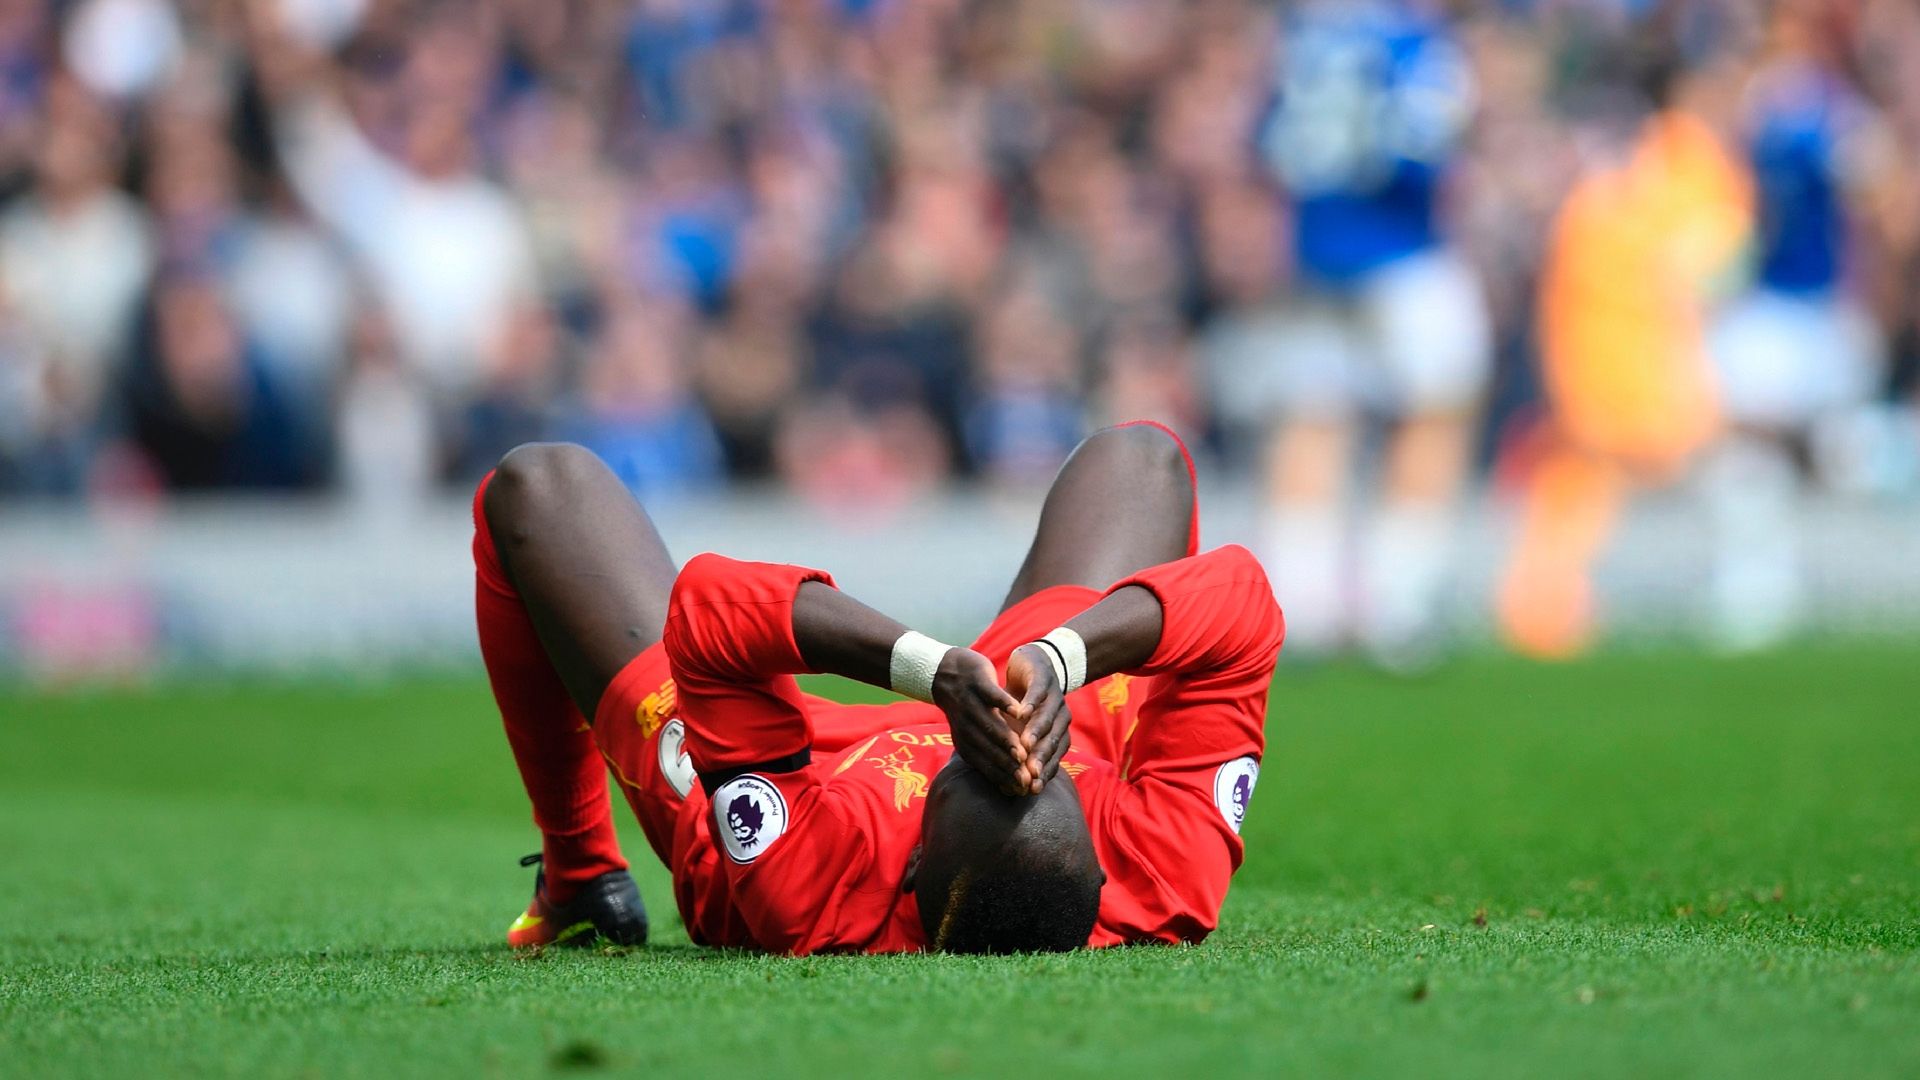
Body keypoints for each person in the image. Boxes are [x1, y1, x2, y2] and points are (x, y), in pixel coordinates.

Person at [471, 421, 1284, 954]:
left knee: (536, 484)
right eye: (1033, 771)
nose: (990, 756)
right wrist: (1060, 659)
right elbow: (1241, 599)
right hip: (1018, 684)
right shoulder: (1162, 876)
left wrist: (926, 668)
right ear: (1102, 874)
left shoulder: (815, 889)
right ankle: (1052, 677)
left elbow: (712, 606)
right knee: (1143, 458)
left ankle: (580, 875)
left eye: (962, 774)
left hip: (782, 769)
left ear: (911, 865)